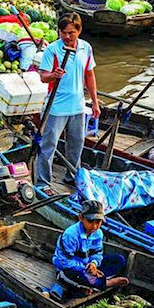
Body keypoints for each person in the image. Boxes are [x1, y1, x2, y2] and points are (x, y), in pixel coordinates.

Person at [36, 12, 100, 186]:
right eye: (63, 32)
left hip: (77, 107)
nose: (66, 36)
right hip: (55, 107)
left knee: (76, 146)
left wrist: (95, 102)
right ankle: (43, 182)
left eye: (71, 33)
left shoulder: (86, 48)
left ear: (78, 31)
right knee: (48, 146)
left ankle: (71, 177)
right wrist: (54, 75)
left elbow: (89, 75)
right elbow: (43, 76)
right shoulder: (53, 50)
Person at [53, 200, 129, 291]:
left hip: (89, 265)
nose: (94, 226)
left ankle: (94, 282)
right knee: (73, 275)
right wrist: (87, 269)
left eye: (98, 222)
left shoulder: (98, 233)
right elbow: (64, 262)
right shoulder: (70, 235)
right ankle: (106, 283)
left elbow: (97, 253)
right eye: (90, 221)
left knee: (119, 260)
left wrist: (94, 263)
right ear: (81, 217)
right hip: (70, 268)